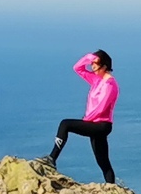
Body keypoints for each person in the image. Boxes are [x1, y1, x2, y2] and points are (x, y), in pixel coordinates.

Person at [44, 50, 118, 183]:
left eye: (95, 64)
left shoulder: (110, 85)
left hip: (101, 125)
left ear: (104, 66)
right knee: (103, 162)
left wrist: (86, 121)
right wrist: (89, 57)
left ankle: (52, 158)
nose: (92, 67)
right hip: (94, 124)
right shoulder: (97, 80)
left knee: (65, 124)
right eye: (92, 64)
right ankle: (112, 186)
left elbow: (101, 108)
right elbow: (77, 68)